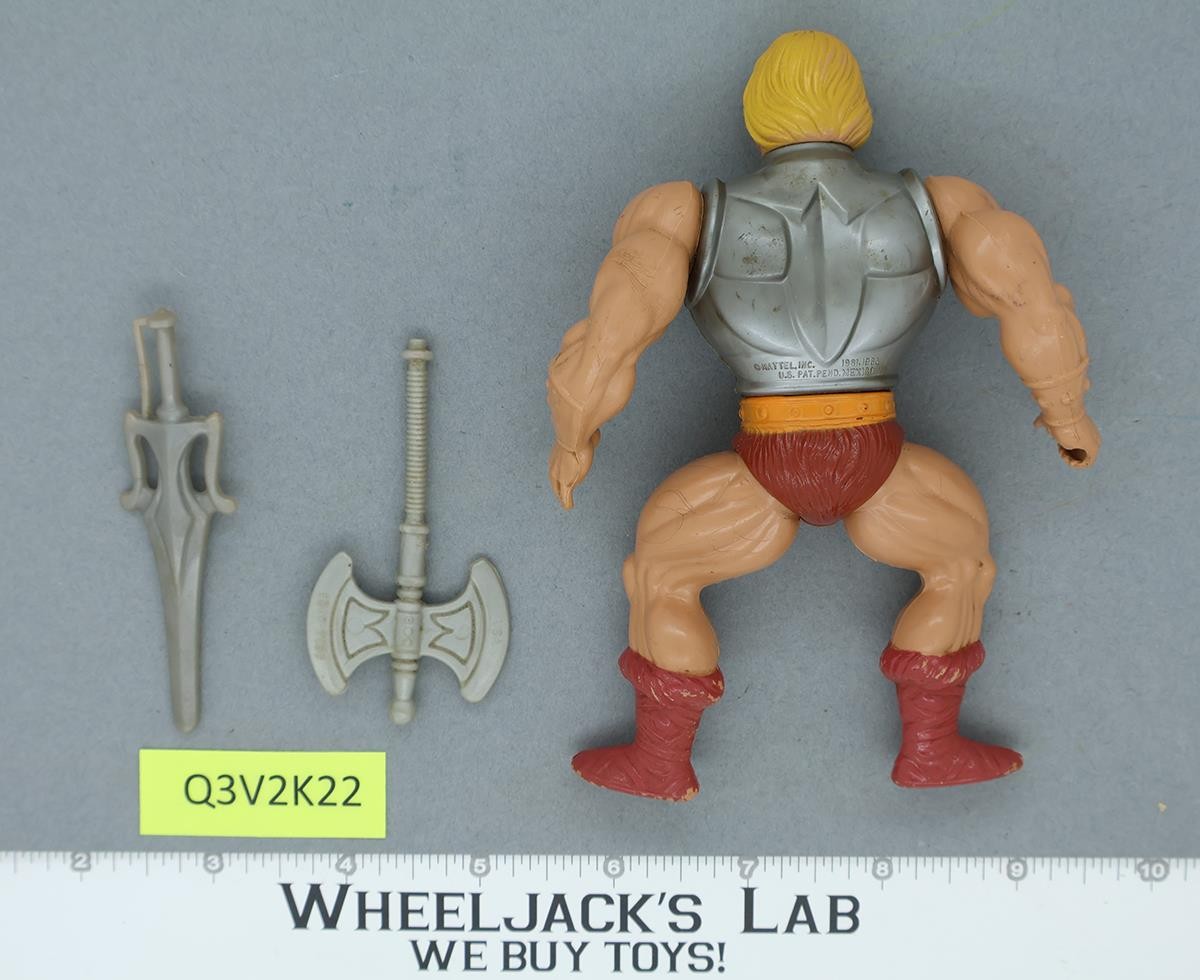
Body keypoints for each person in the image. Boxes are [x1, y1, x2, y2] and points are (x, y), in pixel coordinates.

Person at [546, 31, 1099, 801]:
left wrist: (575, 435)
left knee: (661, 576)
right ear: (858, 109)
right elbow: (1033, 304)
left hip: (763, 458)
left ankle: (659, 761)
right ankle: (931, 748)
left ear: (756, 112)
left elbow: (612, 334)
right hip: (881, 455)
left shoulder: (684, 212)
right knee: (961, 568)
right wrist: (1066, 415)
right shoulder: (942, 204)